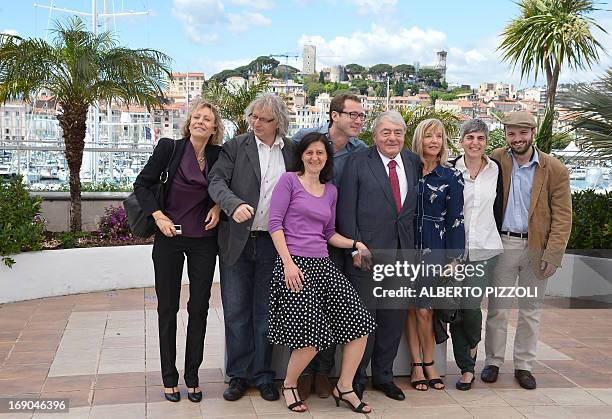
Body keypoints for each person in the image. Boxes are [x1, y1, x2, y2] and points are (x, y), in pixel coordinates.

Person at [268, 132, 377, 414]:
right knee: (313, 337)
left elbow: (328, 233)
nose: (315, 157)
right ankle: (290, 385)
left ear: (327, 158)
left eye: (320, 153)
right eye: (310, 152)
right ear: (302, 155)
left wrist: (354, 243)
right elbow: (275, 224)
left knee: (361, 324)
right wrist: (288, 264)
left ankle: (345, 386)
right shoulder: (289, 181)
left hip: (323, 266)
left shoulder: (330, 190)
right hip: (295, 267)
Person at [134, 99, 223, 403]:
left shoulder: (218, 155)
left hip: (204, 241)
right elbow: (142, 185)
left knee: (199, 308)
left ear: (214, 127)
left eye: (207, 119)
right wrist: (158, 217)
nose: (200, 121)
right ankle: (169, 378)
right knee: (167, 308)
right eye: (196, 117)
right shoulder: (168, 149)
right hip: (168, 238)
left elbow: (227, 187)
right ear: (189, 123)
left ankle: (193, 376)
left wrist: (217, 206)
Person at [208, 93, 297, 402]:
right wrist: (231, 205)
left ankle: (263, 375)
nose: (257, 123)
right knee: (236, 312)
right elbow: (216, 182)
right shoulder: (236, 147)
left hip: (275, 245)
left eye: (264, 119)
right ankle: (238, 376)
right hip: (238, 243)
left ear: (279, 123)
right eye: (253, 118)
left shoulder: (293, 152)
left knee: (266, 314)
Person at [481, 111, 572, 390]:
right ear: (506, 134)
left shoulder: (553, 168)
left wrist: (553, 255)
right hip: (504, 245)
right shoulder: (496, 159)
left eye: (522, 133)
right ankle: (493, 362)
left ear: (532, 133)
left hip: (537, 249)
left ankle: (524, 366)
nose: (517, 139)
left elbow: (563, 216)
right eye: (511, 133)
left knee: (531, 311)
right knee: (498, 310)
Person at [337, 110, 421, 401]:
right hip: (367, 255)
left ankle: (384, 376)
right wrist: (354, 247)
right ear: (374, 136)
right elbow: (346, 210)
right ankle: (357, 378)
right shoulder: (357, 162)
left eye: (398, 132)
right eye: (386, 132)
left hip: (403, 255)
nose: (392, 138)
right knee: (365, 320)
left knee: (392, 319)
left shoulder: (412, 162)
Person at [291, 93, 367, 399]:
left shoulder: (360, 150)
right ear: (334, 115)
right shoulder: (306, 140)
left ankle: (324, 371)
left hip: (341, 237)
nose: (358, 120)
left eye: (362, 116)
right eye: (352, 114)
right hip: (308, 240)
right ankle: (303, 374)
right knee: (306, 309)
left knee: (335, 311)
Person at [407, 118, 465, 391]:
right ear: (420, 138)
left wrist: (454, 259)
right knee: (407, 308)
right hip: (404, 247)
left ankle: (428, 362)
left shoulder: (451, 176)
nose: (434, 141)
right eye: (429, 135)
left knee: (425, 310)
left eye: (439, 136)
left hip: (435, 249)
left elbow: (456, 220)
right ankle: (416, 365)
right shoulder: (407, 170)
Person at [448, 119, 503, 390]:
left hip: (484, 250)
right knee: (455, 311)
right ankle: (466, 368)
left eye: (480, 138)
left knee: (470, 308)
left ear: (486, 142)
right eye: (470, 137)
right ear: (461, 141)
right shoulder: (450, 170)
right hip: (455, 253)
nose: (475, 143)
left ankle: (472, 347)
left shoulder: (496, 170)